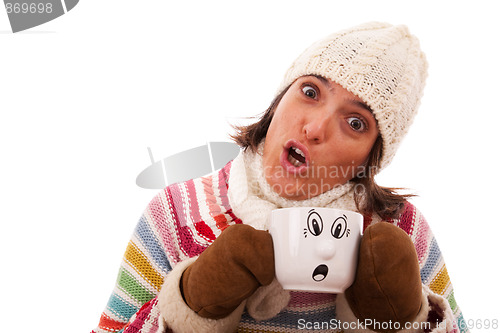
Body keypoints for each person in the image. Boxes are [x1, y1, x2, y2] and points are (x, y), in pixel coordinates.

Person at [91, 22, 468, 333]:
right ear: (279, 99)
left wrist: (408, 319)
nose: (316, 127)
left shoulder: (403, 232)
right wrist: (192, 304)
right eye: (310, 91)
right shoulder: (176, 215)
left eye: (355, 122)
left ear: (370, 158)